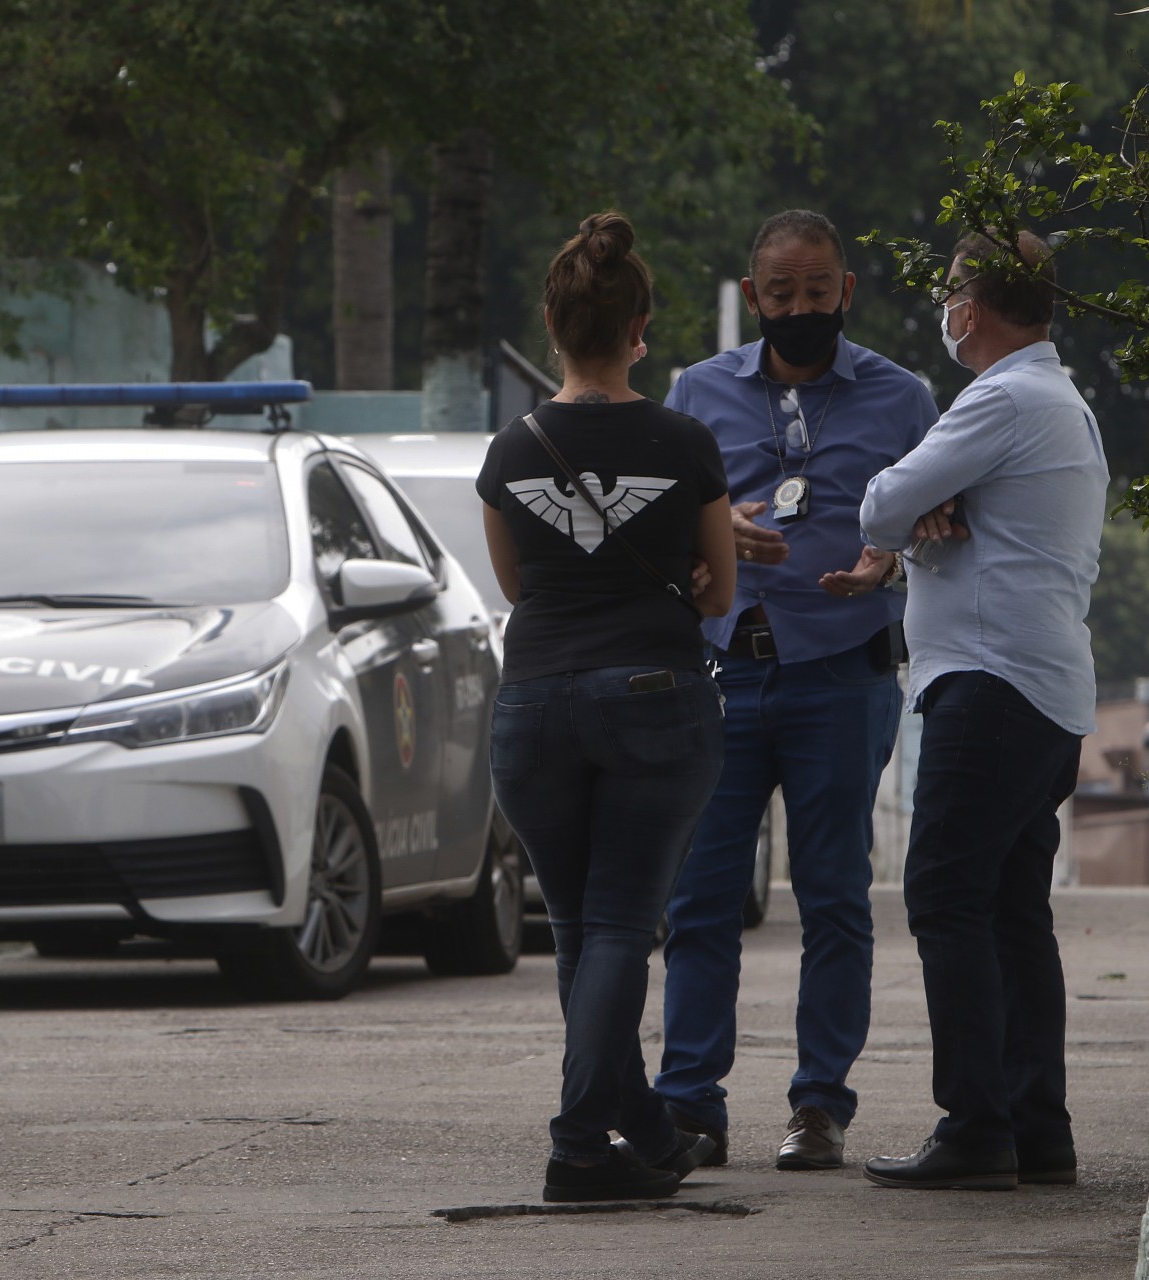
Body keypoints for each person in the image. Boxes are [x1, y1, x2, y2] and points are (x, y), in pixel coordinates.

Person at [654, 209, 937, 1171]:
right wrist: (714, 529)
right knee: (700, 900)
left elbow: (939, 528)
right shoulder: (695, 391)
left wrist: (886, 564)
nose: (800, 308)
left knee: (835, 900)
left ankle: (820, 1105)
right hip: (726, 671)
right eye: (782, 294)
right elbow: (655, 527)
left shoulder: (904, 400)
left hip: (841, 674)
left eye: (818, 292)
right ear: (753, 298)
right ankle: (689, 1102)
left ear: (846, 293)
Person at [477, 211, 736, 1203]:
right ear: (641, 328)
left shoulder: (510, 450)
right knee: (624, 923)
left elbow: (517, 588)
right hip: (654, 698)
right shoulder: (683, 441)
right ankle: (583, 1141)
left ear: (553, 323)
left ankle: (650, 1137)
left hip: (535, 700)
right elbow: (716, 591)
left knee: (585, 933)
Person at [858, 229, 1106, 1190]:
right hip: (1042, 689)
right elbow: (922, 516)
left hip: (990, 685)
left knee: (945, 898)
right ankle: (1036, 1126)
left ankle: (974, 1127)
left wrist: (917, 508)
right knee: (1009, 912)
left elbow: (881, 503)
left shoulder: (1001, 397)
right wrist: (934, 514)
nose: (945, 309)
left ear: (980, 305)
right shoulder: (1062, 402)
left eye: (953, 291)